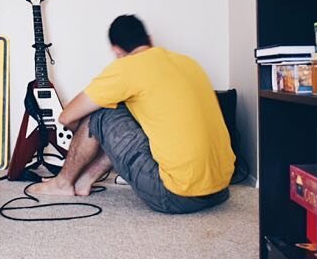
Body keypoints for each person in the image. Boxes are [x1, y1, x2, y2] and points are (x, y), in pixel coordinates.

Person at [30, 14, 234, 214]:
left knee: (100, 113)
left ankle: (63, 182)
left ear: (117, 50)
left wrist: (92, 135)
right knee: (135, 113)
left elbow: (66, 117)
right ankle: (85, 181)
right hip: (220, 189)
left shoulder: (127, 67)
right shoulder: (189, 63)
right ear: (149, 40)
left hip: (176, 196)